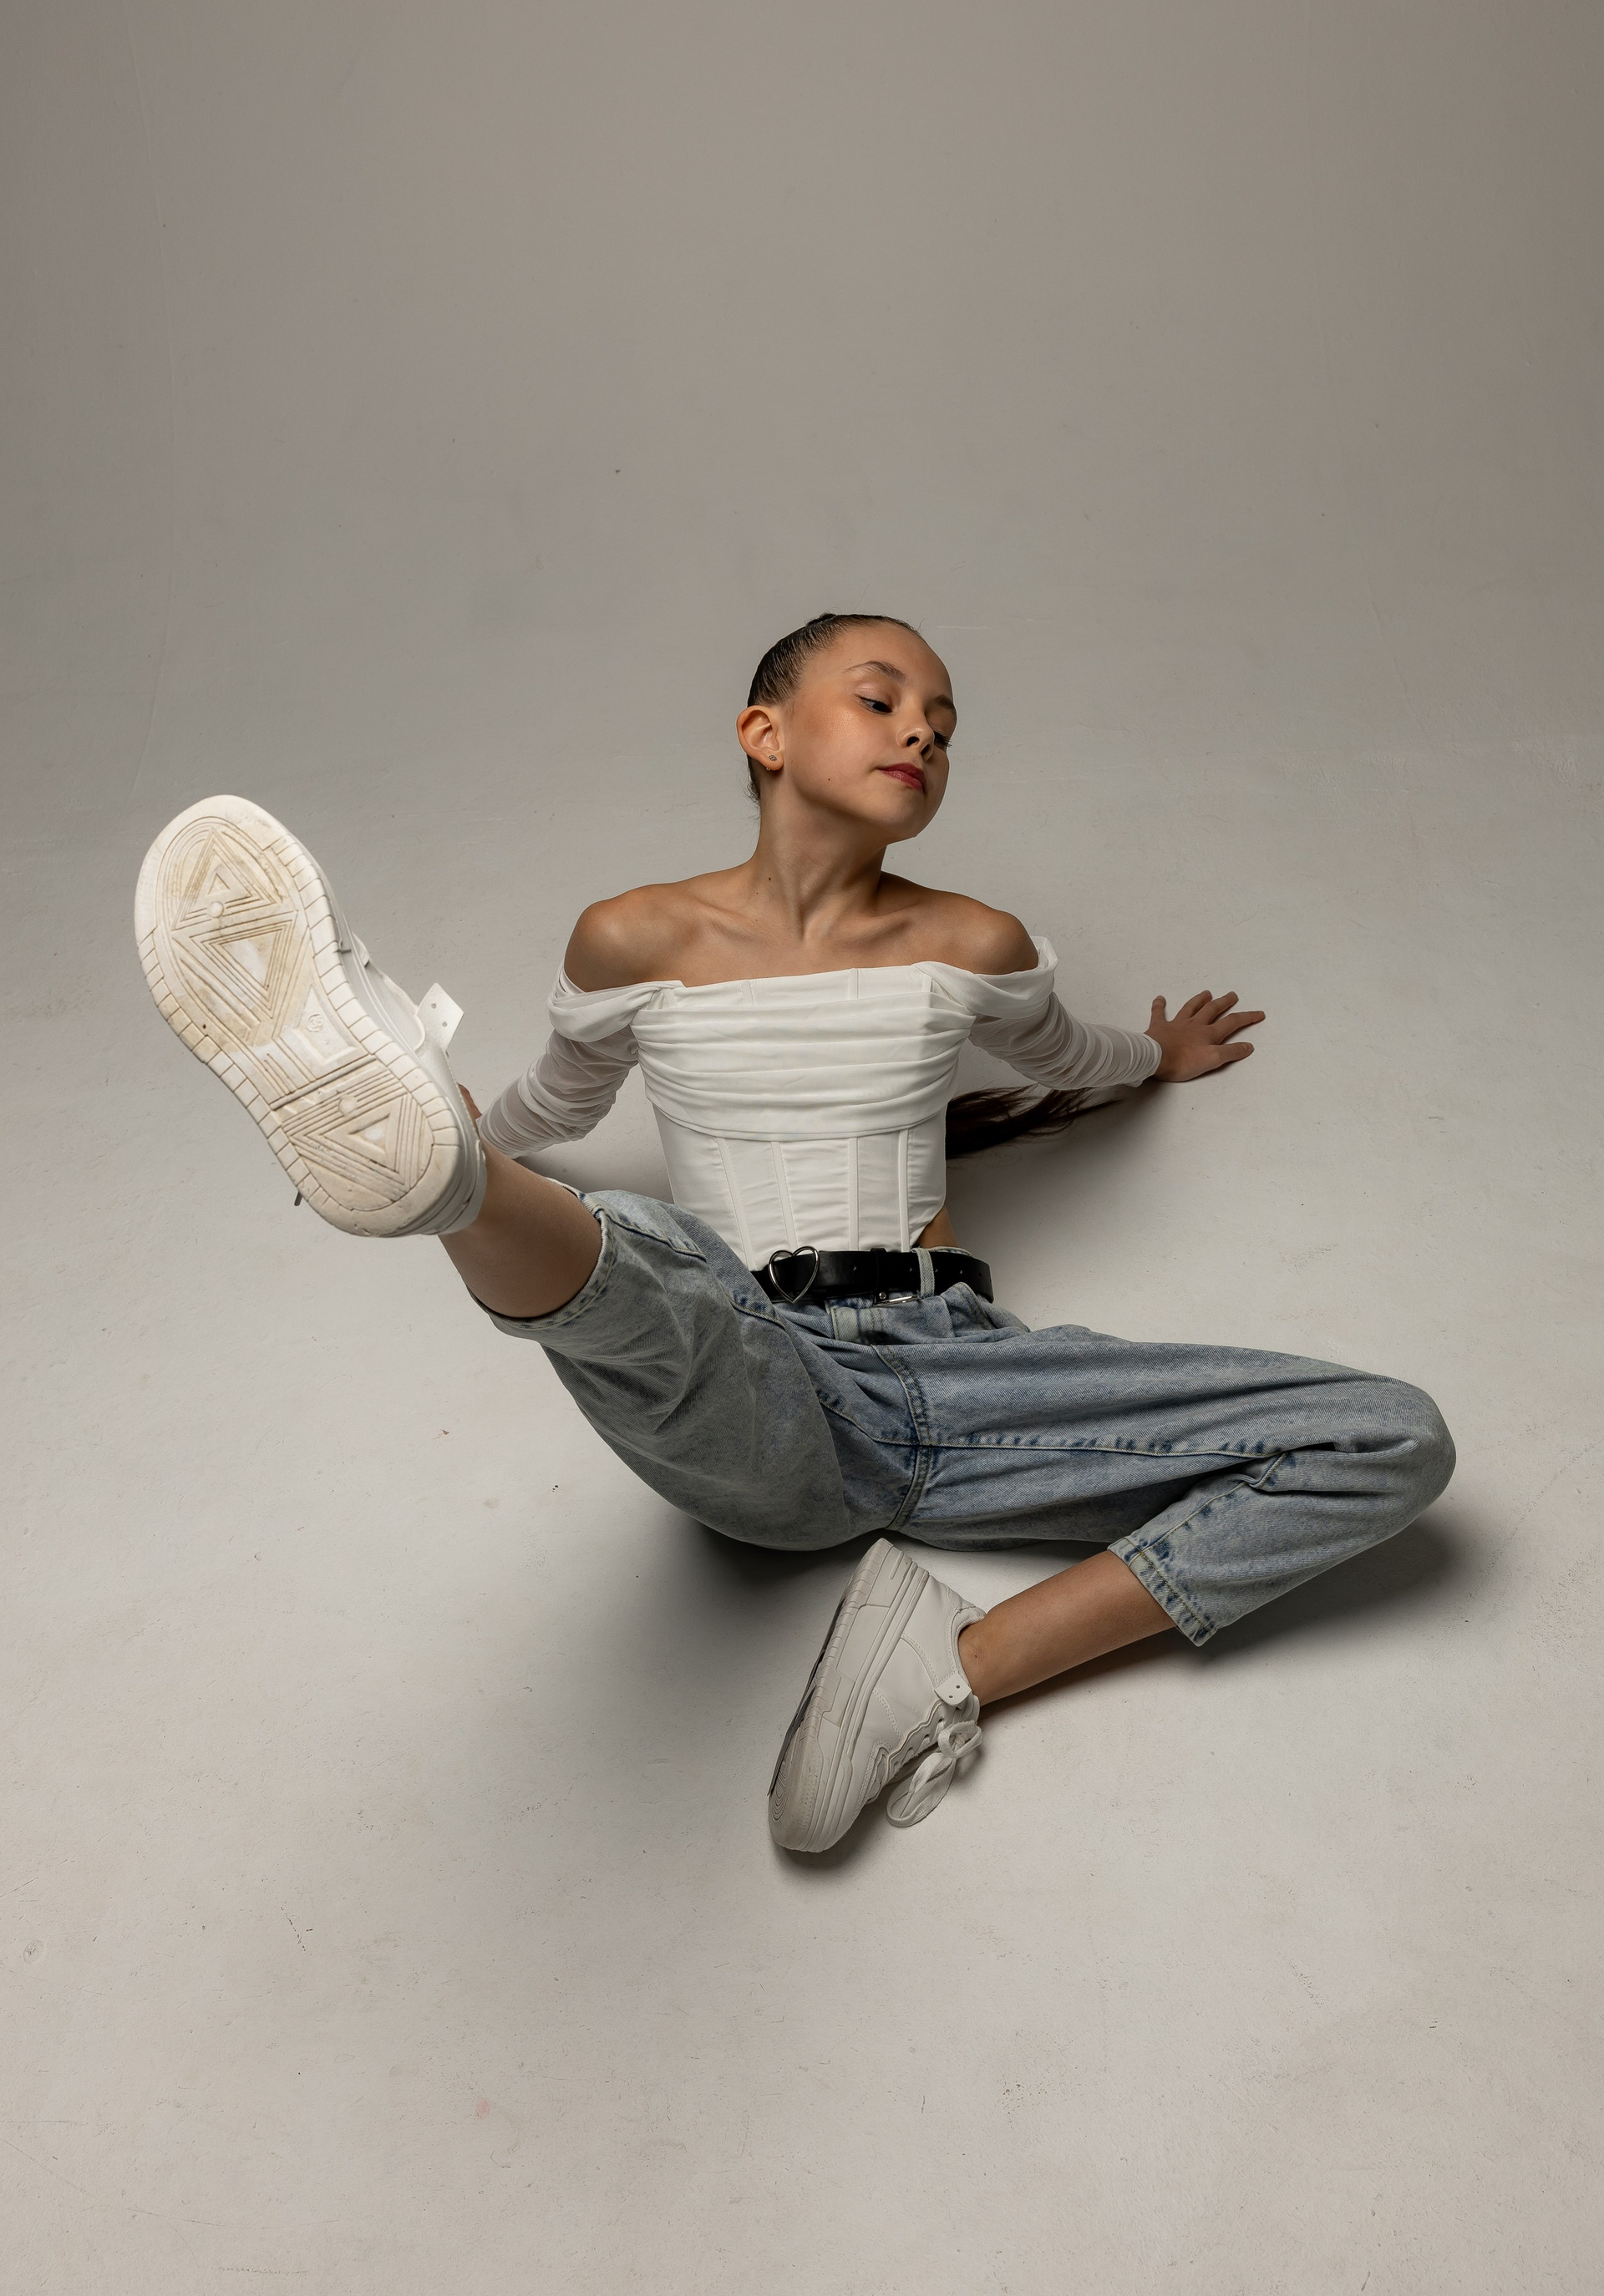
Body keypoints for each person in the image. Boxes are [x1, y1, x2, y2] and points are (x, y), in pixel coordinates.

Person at [134, 612, 1454, 1853]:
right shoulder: (632, 935)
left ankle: (951, 1664)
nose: (921, 731)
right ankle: (445, 1176)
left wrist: (1156, 1056)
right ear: (764, 733)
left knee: (1390, 1435)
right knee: (658, 1278)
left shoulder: (972, 938)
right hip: (752, 1373)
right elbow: (562, 1102)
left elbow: (1067, 1051)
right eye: (881, 700)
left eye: (944, 724)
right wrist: (485, 1132)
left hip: (957, 1377)